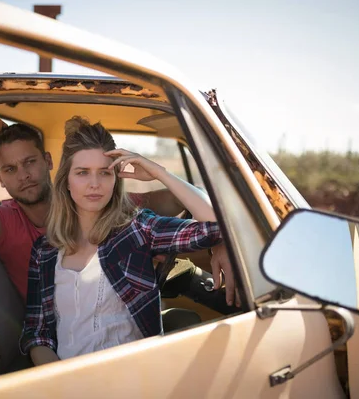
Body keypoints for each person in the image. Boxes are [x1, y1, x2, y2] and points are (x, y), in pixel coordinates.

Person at [0, 117, 239, 306]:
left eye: (30, 162)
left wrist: (219, 242)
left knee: (232, 302)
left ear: (48, 162)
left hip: (129, 315)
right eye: (10, 169)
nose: (23, 175)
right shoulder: (10, 224)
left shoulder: (100, 203)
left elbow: (191, 201)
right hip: (70, 340)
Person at [20, 116, 224, 365]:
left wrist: (159, 173)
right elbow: (36, 333)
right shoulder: (45, 251)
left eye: (104, 173)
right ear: (66, 182)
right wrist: (59, 384)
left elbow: (218, 224)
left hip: (134, 377)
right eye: (82, 173)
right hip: (65, 382)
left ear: (116, 179)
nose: (94, 184)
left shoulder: (138, 230)